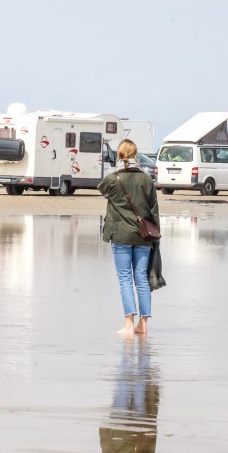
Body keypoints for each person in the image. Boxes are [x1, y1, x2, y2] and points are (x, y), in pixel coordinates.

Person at [98, 139, 160, 337]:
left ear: (119, 155)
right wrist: (156, 235)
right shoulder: (146, 179)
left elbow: (101, 189)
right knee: (141, 279)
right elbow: (154, 210)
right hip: (143, 236)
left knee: (125, 279)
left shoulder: (113, 179)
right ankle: (143, 325)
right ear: (135, 154)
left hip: (121, 235)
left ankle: (128, 325)